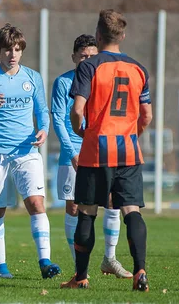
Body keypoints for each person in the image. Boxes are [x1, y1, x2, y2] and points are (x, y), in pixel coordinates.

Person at [60, 9, 152, 291]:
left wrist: (80, 131)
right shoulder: (138, 69)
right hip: (128, 152)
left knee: (86, 212)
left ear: (98, 36)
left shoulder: (90, 66)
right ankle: (139, 272)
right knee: (131, 211)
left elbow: (77, 110)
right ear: (122, 36)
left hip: (95, 150)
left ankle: (81, 277)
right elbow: (146, 116)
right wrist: (131, 136)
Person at [0, 23, 61, 280]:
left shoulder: (32, 77)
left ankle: (45, 261)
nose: (13, 54)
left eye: (17, 49)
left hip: (26, 151)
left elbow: (42, 110)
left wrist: (43, 129)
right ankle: (0, 266)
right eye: (8, 49)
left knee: (36, 203)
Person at [51, 34, 132, 279]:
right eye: (83, 56)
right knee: (74, 207)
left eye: (92, 57)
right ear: (74, 57)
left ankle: (110, 259)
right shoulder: (63, 82)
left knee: (111, 202)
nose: (87, 60)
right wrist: (71, 151)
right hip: (73, 154)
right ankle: (79, 268)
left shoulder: (104, 80)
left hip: (101, 149)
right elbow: (58, 118)